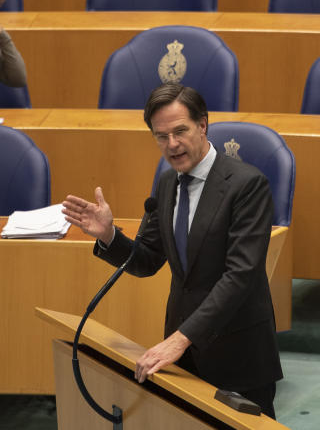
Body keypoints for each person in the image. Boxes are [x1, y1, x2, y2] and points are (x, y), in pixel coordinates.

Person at [61, 84, 282, 419]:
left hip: (238, 351)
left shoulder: (246, 185)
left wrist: (181, 338)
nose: (172, 145)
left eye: (181, 131)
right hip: (185, 355)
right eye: (161, 136)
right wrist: (108, 235)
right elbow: (147, 259)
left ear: (203, 125)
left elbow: (241, 275)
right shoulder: (167, 183)